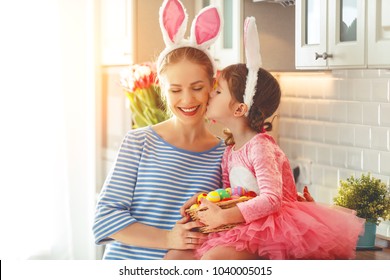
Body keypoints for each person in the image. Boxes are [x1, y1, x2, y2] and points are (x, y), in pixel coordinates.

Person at [193, 17, 365, 260]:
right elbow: (230, 194)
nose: (210, 94)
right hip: (244, 228)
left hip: (273, 231)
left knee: (212, 261)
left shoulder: (259, 146)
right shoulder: (230, 151)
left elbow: (272, 200)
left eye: (218, 91)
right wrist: (206, 204)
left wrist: (225, 217)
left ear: (240, 109)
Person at [93, 0, 224, 260]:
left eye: (197, 88)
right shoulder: (139, 142)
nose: (187, 99)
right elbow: (105, 218)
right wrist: (167, 238)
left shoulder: (224, 154)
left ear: (213, 84)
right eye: (175, 90)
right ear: (163, 90)